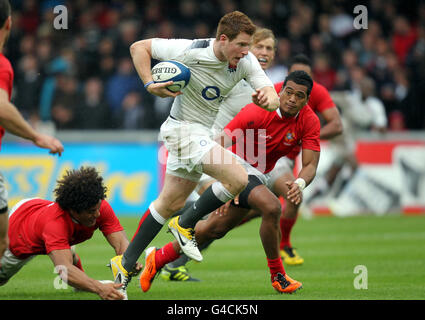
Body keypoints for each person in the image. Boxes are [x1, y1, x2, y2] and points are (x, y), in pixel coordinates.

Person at [109, 11, 280, 298]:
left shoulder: (245, 62)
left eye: (248, 45)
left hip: (199, 134)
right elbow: (138, 47)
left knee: (167, 203)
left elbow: (270, 93)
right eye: (241, 45)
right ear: (222, 39)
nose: (246, 51)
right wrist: (150, 83)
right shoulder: (189, 49)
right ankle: (185, 224)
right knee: (238, 178)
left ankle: (124, 265)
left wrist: (268, 99)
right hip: (182, 130)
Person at [139, 70, 320, 294]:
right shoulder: (258, 110)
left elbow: (310, 164)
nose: (292, 99)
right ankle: (278, 276)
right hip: (235, 164)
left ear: (306, 100)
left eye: (299, 96)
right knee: (272, 207)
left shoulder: (309, 120)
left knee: (213, 229)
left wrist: (300, 183)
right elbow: (220, 143)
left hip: (260, 173)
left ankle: (158, 258)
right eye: (289, 92)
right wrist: (226, 180)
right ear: (280, 91)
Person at [161, 27, 278, 281]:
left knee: (240, 214)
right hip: (209, 151)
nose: (264, 52)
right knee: (227, 213)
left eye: (270, 48)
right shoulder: (233, 77)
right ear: (245, 50)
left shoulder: (264, 87)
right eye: (259, 47)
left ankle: (182, 232)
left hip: (238, 159)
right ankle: (175, 235)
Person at [0, 166, 139, 300]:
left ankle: (81, 284)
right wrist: (99, 288)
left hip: (34, 207)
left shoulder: (98, 207)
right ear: (73, 210)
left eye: (98, 208)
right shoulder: (54, 225)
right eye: (91, 211)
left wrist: (129, 260)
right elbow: (64, 270)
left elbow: (120, 242)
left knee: (66, 252)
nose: (97, 214)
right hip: (17, 236)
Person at [0, 0, 64, 265]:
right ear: (9, 23)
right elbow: (1, 107)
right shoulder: (2, 65)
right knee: (2, 241)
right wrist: (37, 136)